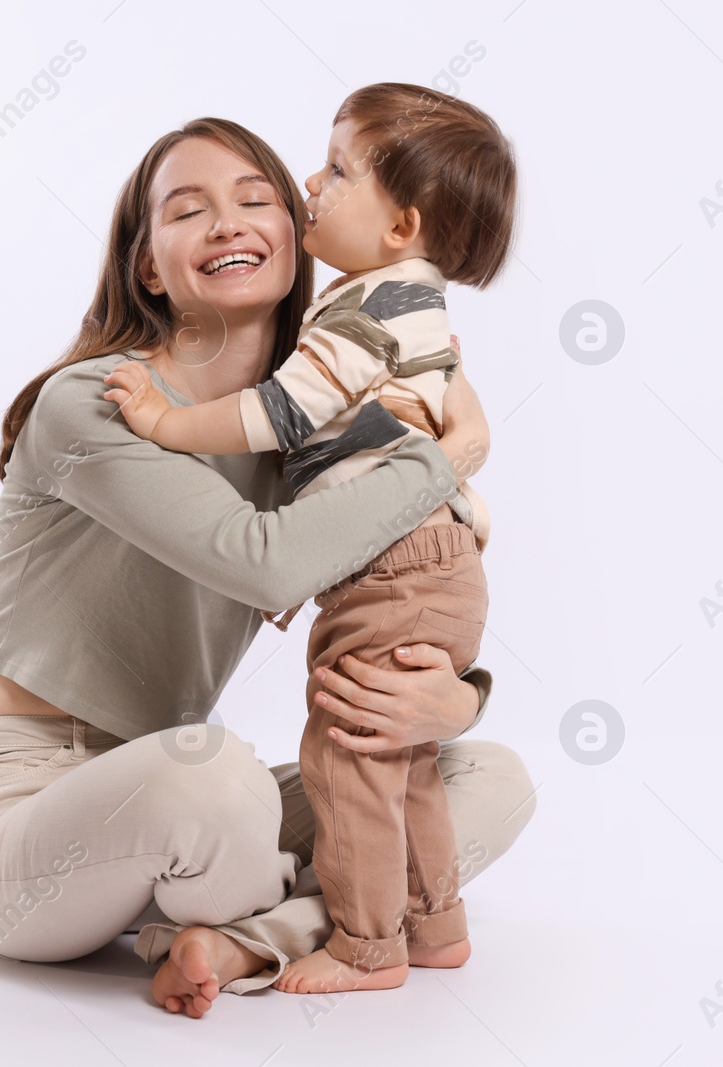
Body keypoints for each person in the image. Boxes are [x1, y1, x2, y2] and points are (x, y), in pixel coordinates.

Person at [0, 115, 536, 1020]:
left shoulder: (318, 432)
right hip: (23, 807)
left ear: (300, 236)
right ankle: (332, 908)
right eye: (188, 210)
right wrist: (451, 454)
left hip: (186, 804)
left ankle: (240, 936)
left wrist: (454, 698)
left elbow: (406, 590)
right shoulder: (98, 403)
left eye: (258, 199)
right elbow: (266, 563)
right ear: (148, 267)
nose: (227, 223)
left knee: (488, 778)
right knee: (214, 773)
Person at [105, 84, 516, 993]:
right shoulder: (411, 309)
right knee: (402, 765)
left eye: (336, 169)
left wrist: (170, 426)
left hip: (389, 566)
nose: (308, 185)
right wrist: (460, 489)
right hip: (434, 562)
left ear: (402, 223)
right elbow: (439, 445)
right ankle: (434, 926)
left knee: (349, 755)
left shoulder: (364, 313)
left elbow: (285, 414)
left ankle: (369, 947)